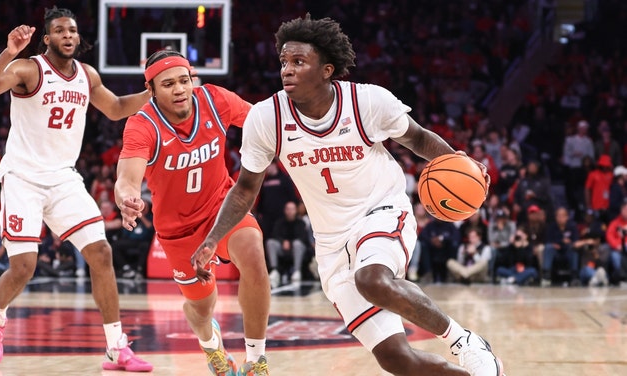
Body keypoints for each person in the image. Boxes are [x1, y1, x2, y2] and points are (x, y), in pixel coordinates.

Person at [192, 15, 504, 376]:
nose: (286, 71)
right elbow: (245, 188)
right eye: (283, 63)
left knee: (371, 279)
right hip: (330, 243)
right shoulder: (267, 118)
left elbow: (417, 138)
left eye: (298, 62)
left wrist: (457, 160)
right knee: (396, 359)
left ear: (327, 70)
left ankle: (464, 342)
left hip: (382, 209)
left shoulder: (367, 101)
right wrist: (213, 239)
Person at [0, 7, 152, 371]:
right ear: (47, 38)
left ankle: (117, 348)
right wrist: (9, 52)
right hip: (23, 177)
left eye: (72, 30)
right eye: (60, 30)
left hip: (63, 178)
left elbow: (116, 108)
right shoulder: (29, 69)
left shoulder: (87, 75)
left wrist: (153, 94)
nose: (68, 35)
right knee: (24, 267)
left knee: (101, 253)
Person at [114, 49, 270, 375]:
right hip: (178, 230)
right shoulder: (142, 125)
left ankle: (256, 360)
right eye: (168, 84)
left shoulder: (215, 99)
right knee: (201, 308)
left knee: (254, 255)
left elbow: (264, 122)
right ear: (151, 90)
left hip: (222, 208)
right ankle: (210, 344)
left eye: (184, 80)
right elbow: (127, 179)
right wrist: (127, 197)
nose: (180, 89)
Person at [266, 200, 311, 287]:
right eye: (288, 209)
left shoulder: (301, 223)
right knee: (270, 243)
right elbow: (275, 234)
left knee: (297, 244)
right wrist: (283, 242)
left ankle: (297, 271)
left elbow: (303, 238)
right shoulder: (280, 222)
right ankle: (274, 270)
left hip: (297, 249)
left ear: (296, 210)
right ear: (285, 210)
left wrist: (290, 243)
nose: (290, 211)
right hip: (283, 249)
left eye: (292, 209)